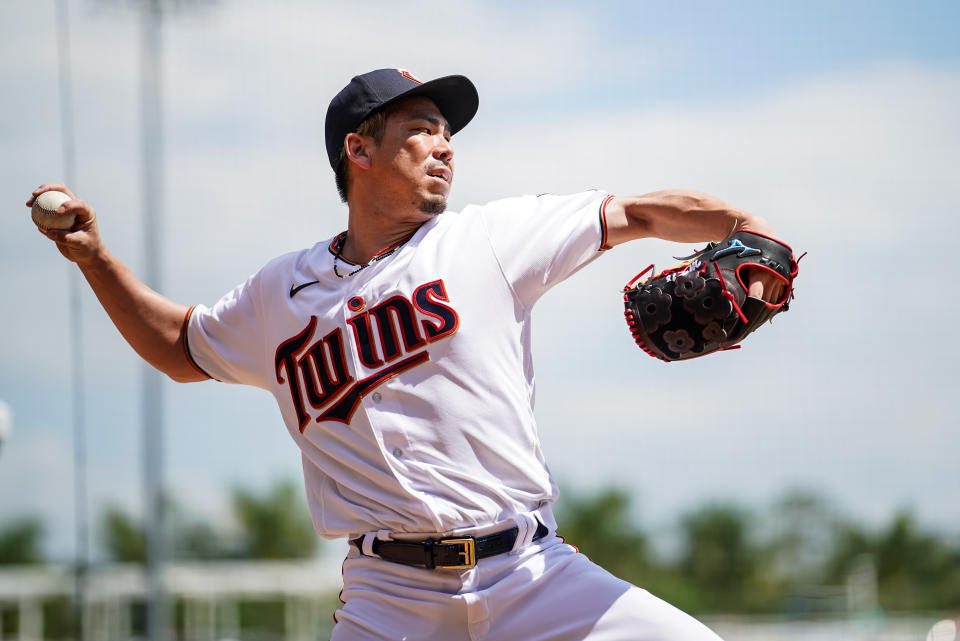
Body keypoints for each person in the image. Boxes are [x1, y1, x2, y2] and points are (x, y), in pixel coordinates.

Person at [30, 68, 784, 641]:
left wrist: (751, 227)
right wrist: (94, 257)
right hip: (387, 600)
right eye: (422, 128)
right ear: (359, 149)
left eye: (447, 134)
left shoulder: (487, 238)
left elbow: (640, 212)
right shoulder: (276, 295)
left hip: (530, 574)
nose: (444, 147)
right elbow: (178, 345)